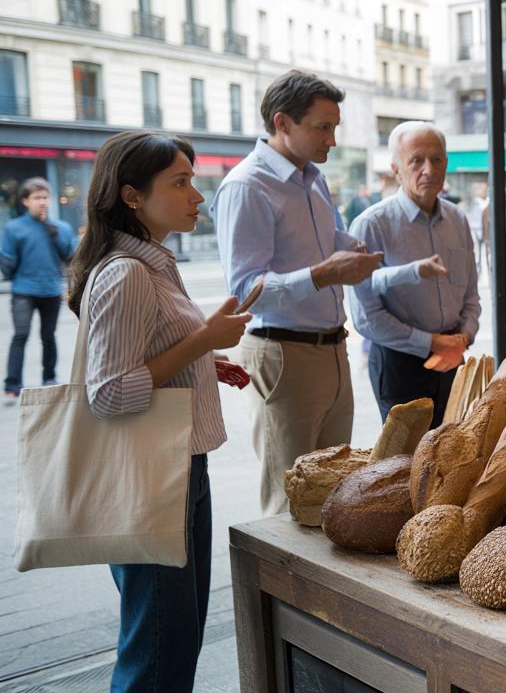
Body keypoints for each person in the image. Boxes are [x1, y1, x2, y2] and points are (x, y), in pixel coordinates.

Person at [64, 131, 251, 690]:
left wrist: (204, 359)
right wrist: (200, 343)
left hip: (179, 467)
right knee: (158, 652)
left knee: (175, 639)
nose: (197, 195)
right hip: (151, 475)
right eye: (179, 182)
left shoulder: (151, 263)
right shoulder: (126, 272)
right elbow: (110, 394)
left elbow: (144, 357)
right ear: (131, 196)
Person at [213, 70, 383, 516]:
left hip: (331, 348)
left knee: (335, 491)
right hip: (282, 354)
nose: (331, 139)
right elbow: (246, 291)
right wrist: (325, 273)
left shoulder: (313, 177)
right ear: (283, 122)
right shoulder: (247, 186)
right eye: (322, 127)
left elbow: (323, 238)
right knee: (288, 500)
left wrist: (350, 249)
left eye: (335, 127)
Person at [348, 121, 480, 425]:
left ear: (446, 165)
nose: (429, 170)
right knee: (405, 464)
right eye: (416, 160)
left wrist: (462, 338)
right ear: (396, 168)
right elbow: (366, 317)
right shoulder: (372, 225)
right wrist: (431, 342)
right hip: (400, 361)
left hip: (453, 358)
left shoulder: (458, 220)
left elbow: (471, 294)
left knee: (452, 457)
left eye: (436, 160)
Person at [2, 178, 77, 401]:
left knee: (48, 336)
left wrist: (52, 233)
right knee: (20, 335)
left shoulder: (61, 227)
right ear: (26, 201)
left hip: (52, 290)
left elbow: (71, 258)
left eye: (45, 197)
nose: (42, 202)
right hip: (23, 291)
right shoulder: (13, 228)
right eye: (37, 198)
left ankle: (49, 378)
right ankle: (12, 384)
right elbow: (7, 263)